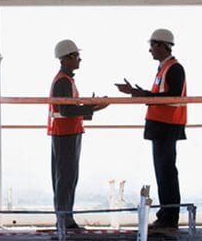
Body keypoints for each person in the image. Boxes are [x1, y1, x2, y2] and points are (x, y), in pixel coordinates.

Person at [116, 29, 188, 236]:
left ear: (162, 45)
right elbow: (161, 96)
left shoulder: (174, 68)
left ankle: (169, 217)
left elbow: (171, 97)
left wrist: (140, 94)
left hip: (167, 125)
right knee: (163, 172)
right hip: (161, 125)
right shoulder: (164, 68)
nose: (150, 50)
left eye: (152, 45)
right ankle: (166, 216)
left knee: (166, 172)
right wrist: (138, 93)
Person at [49, 39, 108, 232]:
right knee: (66, 177)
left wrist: (91, 107)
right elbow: (66, 110)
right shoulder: (63, 81)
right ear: (66, 58)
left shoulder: (66, 80)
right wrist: (93, 106)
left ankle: (66, 219)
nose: (79, 60)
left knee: (67, 177)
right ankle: (65, 221)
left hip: (68, 133)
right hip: (65, 134)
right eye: (76, 56)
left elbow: (67, 109)